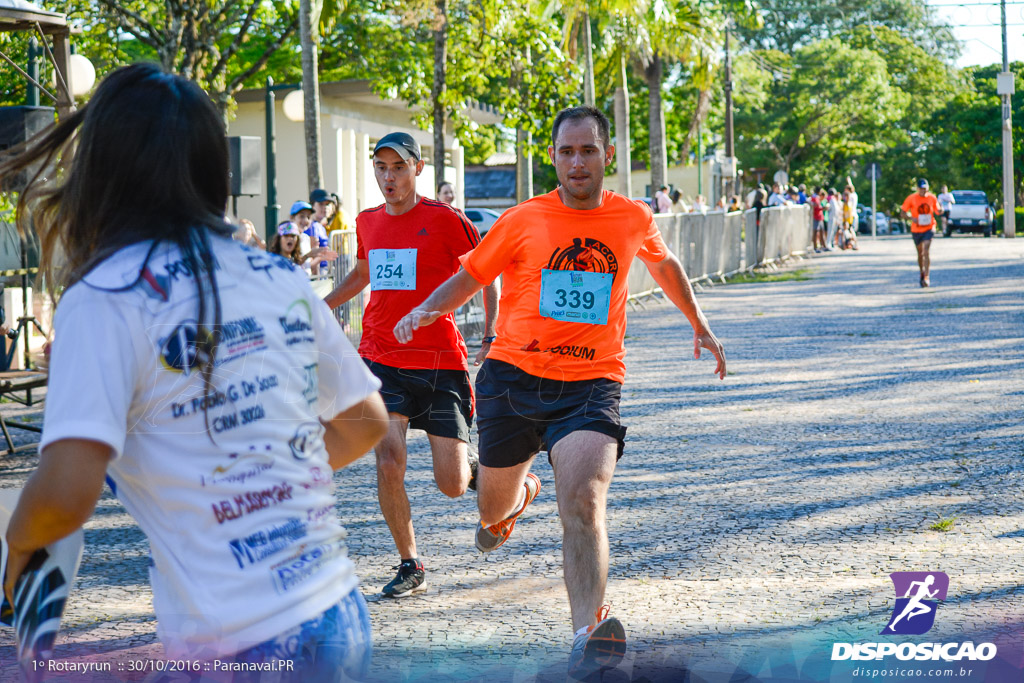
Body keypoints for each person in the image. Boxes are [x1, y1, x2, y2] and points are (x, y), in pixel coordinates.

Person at [0, 63, 389, 677]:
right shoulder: (278, 276)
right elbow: (365, 423)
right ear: (214, 173)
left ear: (101, 175)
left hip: (240, 642)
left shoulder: (105, 297)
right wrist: (262, 478)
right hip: (339, 612)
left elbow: (66, 496)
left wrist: (15, 548)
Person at [391, 106, 726, 680]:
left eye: (588, 151)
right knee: (488, 514)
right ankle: (515, 500)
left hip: (593, 383)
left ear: (607, 156)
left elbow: (664, 263)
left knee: (584, 499)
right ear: (553, 156)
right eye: (566, 152)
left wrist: (698, 322)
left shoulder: (631, 217)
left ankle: (588, 633)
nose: (577, 162)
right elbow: (473, 275)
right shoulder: (524, 218)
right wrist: (426, 308)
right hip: (512, 380)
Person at [323, 132, 498, 599]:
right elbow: (363, 274)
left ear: (417, 169)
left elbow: (484, 272)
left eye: (398, 167)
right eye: (381, 167)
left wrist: (490, 333)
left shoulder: (447, 220)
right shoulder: (366, 222)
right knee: (388, 460)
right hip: (381, 358)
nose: (388, 177)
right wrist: (323, 305)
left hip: (441, 363)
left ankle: (479, 470)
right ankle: (410, 562)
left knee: (452, 485)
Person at [901, 178, 940, 287]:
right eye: (921, 189)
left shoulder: (932, 198)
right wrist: (911, 218)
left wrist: (941, 210)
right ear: (918, 189)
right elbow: (903, 212)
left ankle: (927, 276)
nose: (923, 191)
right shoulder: (911, 198)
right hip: (916, 229)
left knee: (926, 249)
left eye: (925, 188)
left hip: (929, 227)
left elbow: (937, 210)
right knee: (920, 253)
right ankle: (922, 272)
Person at [810, 187, 826, 252]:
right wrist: (823, 208)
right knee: (815, 232)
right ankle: (815, 247)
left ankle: (823, 246)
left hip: (820, 217)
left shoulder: (817, 198)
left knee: (822, 232)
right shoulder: (814, 198)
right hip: (816, 217)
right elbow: (816, 207)